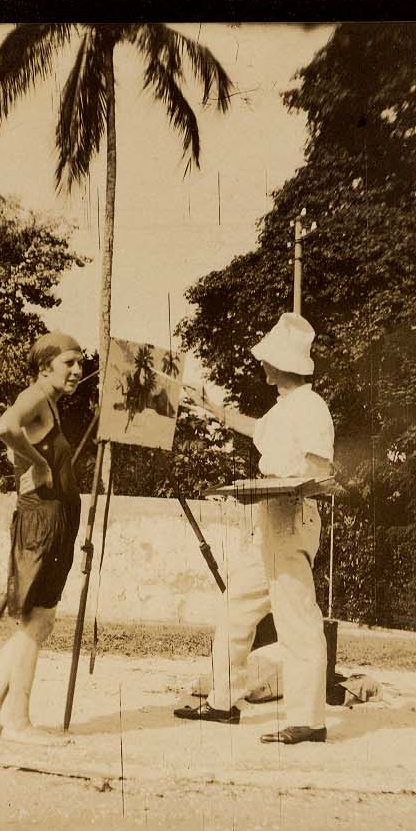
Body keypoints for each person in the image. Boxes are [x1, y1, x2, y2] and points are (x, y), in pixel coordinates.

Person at [175, 312, 335, 744]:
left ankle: (309, 720)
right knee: (235, 608)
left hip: (291, 515)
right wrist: (212, 406)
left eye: (267, 358)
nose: (262, 364)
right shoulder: (285, 408)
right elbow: (255, 428)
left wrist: (277, 487)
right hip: (268, 517)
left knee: (297, 617)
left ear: (282, 364)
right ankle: (223, 702)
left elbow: (318, 469)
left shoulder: (312, 407)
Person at [0, 332, 85, 745]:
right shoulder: (35, 395)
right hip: (42, 518)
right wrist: (38, 462)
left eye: (80, 362)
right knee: (38, 621)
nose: (77, 370)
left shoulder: (48, 403)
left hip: (50, 517)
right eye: (69, 363)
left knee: (34, 622)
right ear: (44, 367)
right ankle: (18, 721)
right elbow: (4, 426)